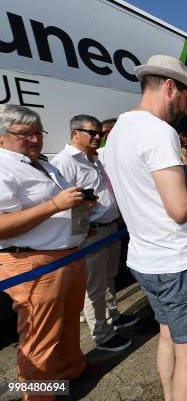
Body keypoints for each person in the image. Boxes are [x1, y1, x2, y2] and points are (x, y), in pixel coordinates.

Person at [103, 55, 187, 401]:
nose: (186, 111)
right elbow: (178, 209)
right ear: (170, 87)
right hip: (176, 261)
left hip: (144, 260)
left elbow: (151, 193)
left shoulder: (117, 131)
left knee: (166, 335)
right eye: (186, 100)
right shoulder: (160, 132)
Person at [0, 104, 91, 400]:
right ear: (2, 137)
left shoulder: (43, 163)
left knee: (66, 325)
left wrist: (77, 203)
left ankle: (68, 373)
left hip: (67, 255)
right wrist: (55, 205)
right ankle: (36, 395)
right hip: (31, 262)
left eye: (38, 133)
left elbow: (53, 205)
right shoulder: (3, 166)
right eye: (25, 134)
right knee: (39, 339)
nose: (35, 140)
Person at [52, 114, 138, 353]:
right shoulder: (65, 162)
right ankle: (101, 334)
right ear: (75, 134)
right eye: (92, 132)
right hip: (92, 234)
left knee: (109, 277)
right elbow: (60, 202)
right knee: (94, 287)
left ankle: (112, 316)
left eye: (99, 132)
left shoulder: (95, 158)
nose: (98, 136)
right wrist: (82, 227)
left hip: (110, 228)